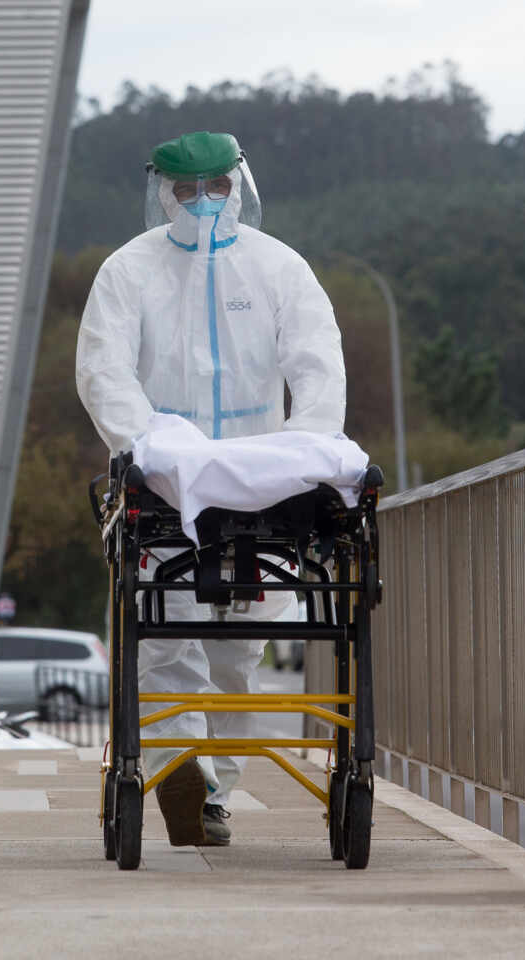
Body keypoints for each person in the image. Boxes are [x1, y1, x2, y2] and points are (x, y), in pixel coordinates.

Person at [75, 130, 346, 846]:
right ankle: (184, 777)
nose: (202, 203)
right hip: (169, 489)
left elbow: (317, 364)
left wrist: (305, 450)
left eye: (216, 188)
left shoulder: (279, 269)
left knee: (237, 647)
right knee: (167, 637)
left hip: (263, 487)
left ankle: (216, 780)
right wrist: (155, 450)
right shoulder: (129, 273)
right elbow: (105, 370)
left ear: (238, 185)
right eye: (187, 190)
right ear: (163, 191)